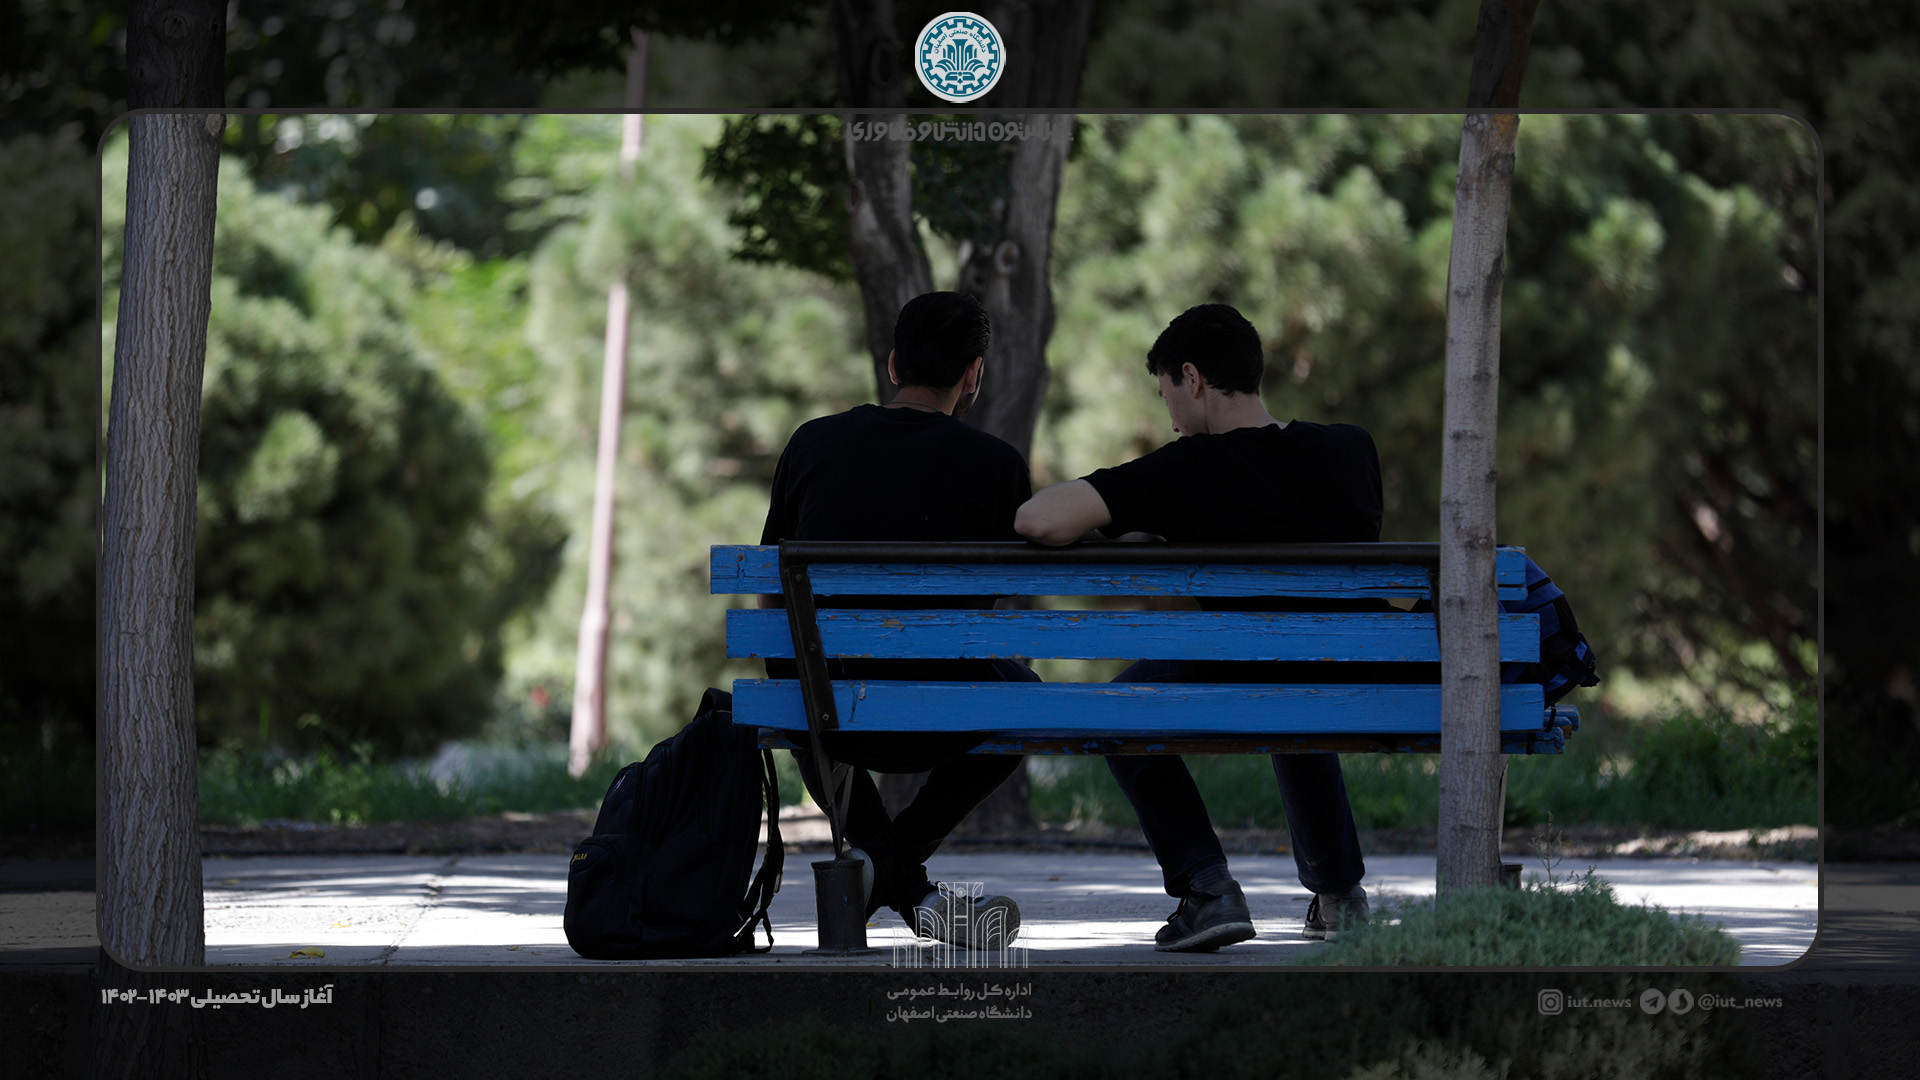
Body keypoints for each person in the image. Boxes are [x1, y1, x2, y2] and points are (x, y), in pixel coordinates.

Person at [1014, 303, 1378, 951]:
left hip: (1244, 659)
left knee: (1116, 711)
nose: (1172, 417)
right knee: (1295, 690)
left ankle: (1208, 888)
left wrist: (1147, 520)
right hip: (1354, 666)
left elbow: (1039, 520)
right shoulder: (1351, 449)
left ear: (1193, 378)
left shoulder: (1192, 467)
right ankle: (1340, 896)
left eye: (1167, 396)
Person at [758, 291, 1035, 946]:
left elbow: (772, 585)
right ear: (974, 374)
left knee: (797, 687)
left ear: (892, 364)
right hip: (944, 708)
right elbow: (999, 599)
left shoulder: (812, 443)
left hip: (830, 707)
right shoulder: (997, 464)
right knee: (1025, 703)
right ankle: (905, 883)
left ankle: (891, 876)